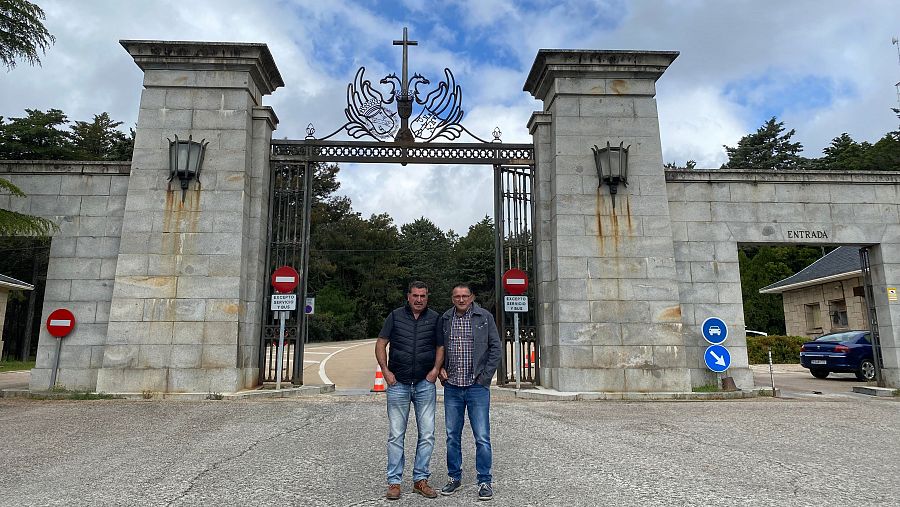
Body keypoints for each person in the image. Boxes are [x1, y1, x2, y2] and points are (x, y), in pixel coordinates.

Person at [375, 281, 444, 500]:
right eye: (415, 295)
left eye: (423, 295)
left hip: (424, 384)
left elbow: (440, 346)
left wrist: (435, 370)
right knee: (396, 435)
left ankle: (420, 480)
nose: (419, 299)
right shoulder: (395, 316)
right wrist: (385, 371)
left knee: (427, 434)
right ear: (408, 296)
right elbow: (381, 343)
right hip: (399, 383)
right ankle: (394, 482)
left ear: (427, 296)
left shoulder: (435, 318)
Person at [437, 283, 502, 501]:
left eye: (465, 296)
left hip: (477, 387)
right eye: (457, 296)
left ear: (472, 297)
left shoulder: (484, 317)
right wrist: (440, 369)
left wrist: (485, 378)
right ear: (452, 298)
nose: (462, 299)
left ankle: (484, 480)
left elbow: (496, 348)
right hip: (453, 387)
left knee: (482, 437)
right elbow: (437, 347)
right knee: (451, 436)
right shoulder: (446, 319)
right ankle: (454, 477)